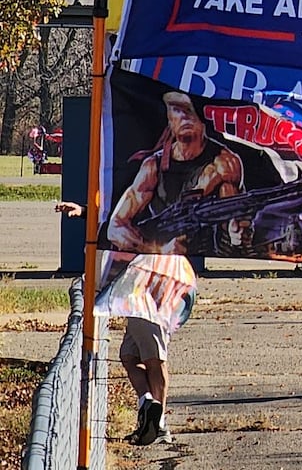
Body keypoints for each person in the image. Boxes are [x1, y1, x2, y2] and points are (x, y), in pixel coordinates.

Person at [57, 202, 197, 445]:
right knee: (129, 356)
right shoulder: (143, 207)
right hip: (135, 295)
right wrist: (85, 212)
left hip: (153, 295)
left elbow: (127, 222)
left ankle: (159, 424)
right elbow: (119, 218)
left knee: (155, 360)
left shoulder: (166, 215)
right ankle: (147, 404)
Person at [107, 91, 249, 255]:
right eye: (176, 110)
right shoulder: (153, 166)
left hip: (204, 256)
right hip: (159, 256)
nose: (184, 116)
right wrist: (157, 249)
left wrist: (234, 228)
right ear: (169, 121)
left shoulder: (225, 163)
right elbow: (116, 226)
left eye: (189, 110)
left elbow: (233, 215)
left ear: (203, 120)